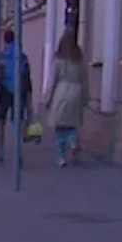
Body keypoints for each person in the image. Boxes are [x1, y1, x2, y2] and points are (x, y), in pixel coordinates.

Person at [42, 30, 90, 167]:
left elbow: (52, 81)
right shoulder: (80, 61)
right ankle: (73, 142)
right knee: (72, 125)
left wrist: (47, 99)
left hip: (61, 93)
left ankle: (61, 157)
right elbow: (85, 81)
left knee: (60, 128)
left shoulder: (58, 61)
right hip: (76, 93)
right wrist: (85, 98)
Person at [0, 30, 34, 162]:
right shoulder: (22, 56)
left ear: (5, 40)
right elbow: (27, 77)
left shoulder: (0, 56)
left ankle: (0, 152)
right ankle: (19, 153)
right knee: (19, 121)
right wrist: (28, 95)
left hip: (5, 91)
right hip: (20, 90)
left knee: (1, 121)